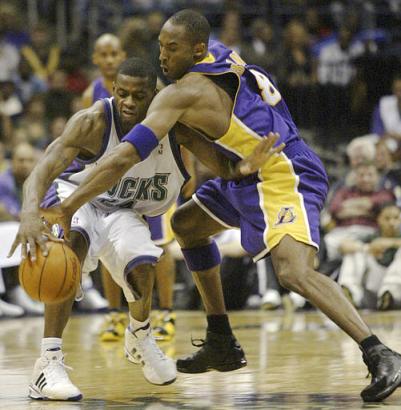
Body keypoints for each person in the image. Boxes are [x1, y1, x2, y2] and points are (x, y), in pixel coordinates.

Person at [11, 9, 401, 402]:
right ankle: (220, 338)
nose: (163, 56)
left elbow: (125, 156)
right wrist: (238, 164)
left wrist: (67, 207)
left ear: (196, 49)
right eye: (161, 46)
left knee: (294, 272)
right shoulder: (218, 52)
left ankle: (379, 353)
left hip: (282, 172)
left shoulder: (182, 94)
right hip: (245, 172)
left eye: (172, 48)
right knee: (187, 224)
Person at [8, 56, 280, 401]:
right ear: (113, 89)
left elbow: (221, 165)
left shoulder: (175, 127)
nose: (128, 102)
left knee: (143, 265)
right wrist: (29, 213)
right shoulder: (92, 121)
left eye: (138, 96)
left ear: (154, 95)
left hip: (123, 209)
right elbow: (43, 168)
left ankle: (139, 334)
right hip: (75, 199)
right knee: (70, 252)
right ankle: (47, 364)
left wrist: (242, 167)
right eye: (122, 93)